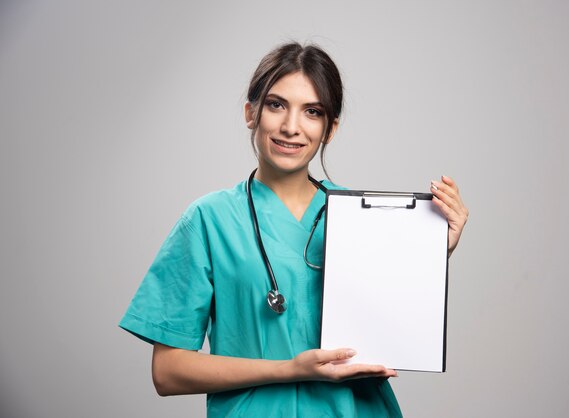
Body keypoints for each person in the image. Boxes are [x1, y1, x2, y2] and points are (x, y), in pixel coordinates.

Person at [119, 42, 469, 417]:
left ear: (329, 129)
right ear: (250, 112)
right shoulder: (208, 220)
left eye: (312, 112)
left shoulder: (365, 220)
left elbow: (396, 327)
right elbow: (168, 373)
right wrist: (289, 370)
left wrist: (432, 253)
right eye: (276, 105)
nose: (291, 127)